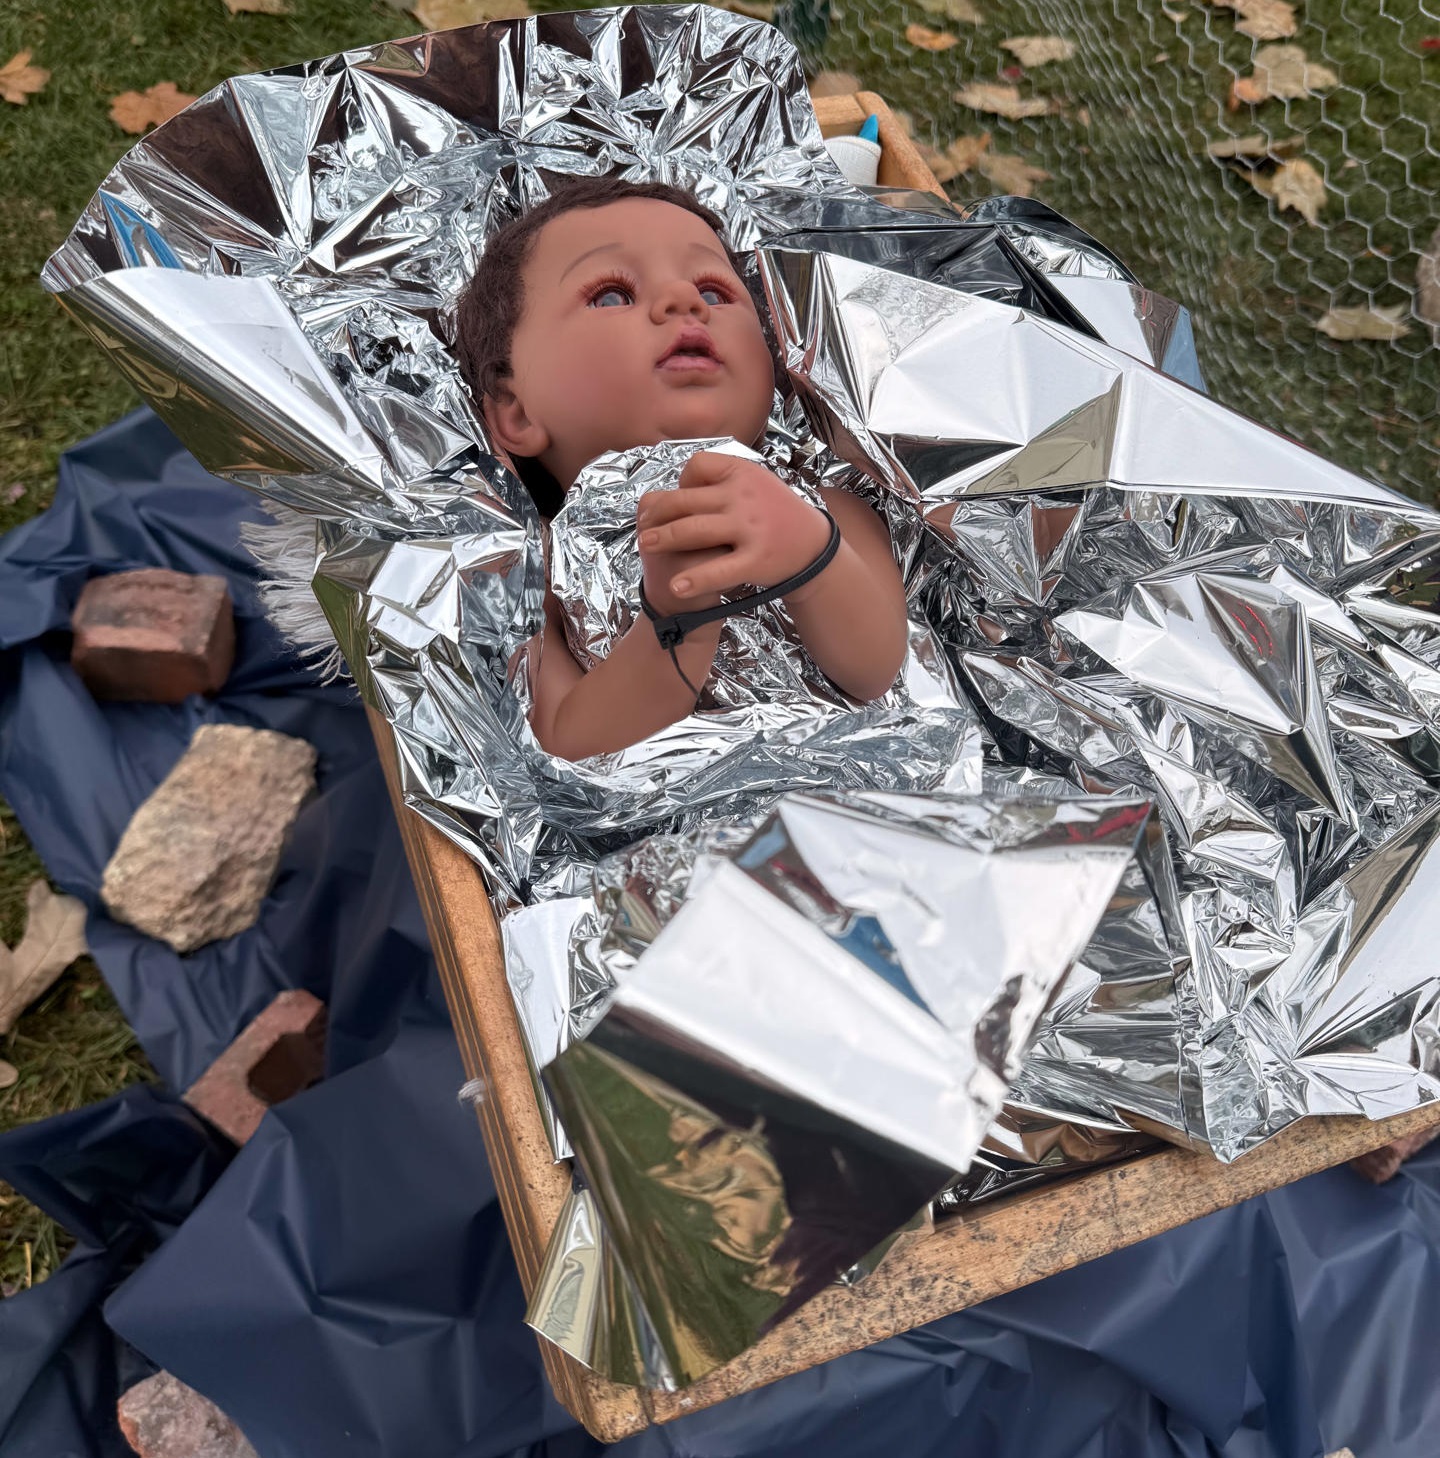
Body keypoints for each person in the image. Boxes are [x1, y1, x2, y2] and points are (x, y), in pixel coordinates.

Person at [453, 177, 909, 762]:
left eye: (716, 291)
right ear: (515, 411)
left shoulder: (826, 508)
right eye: (613, 295)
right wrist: (676, 622)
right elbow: (565, 739)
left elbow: (874, 672)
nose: (683, 301)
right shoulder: (529, 561)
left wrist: (809, 552)